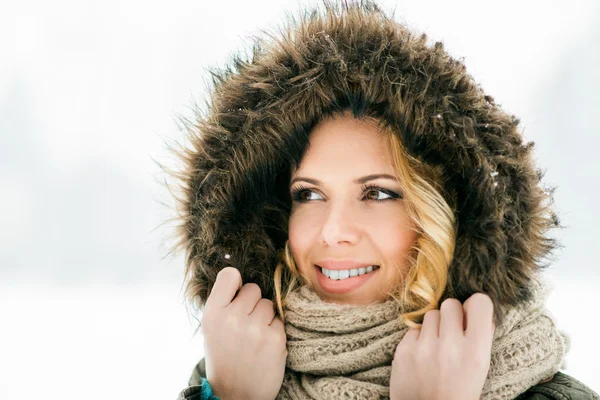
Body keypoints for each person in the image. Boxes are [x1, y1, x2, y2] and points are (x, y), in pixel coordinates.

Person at [168, 1, 599, 399]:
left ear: (447, 213)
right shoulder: (230, 371)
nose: (333, 231)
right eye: (309, 194)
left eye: (377, 193)